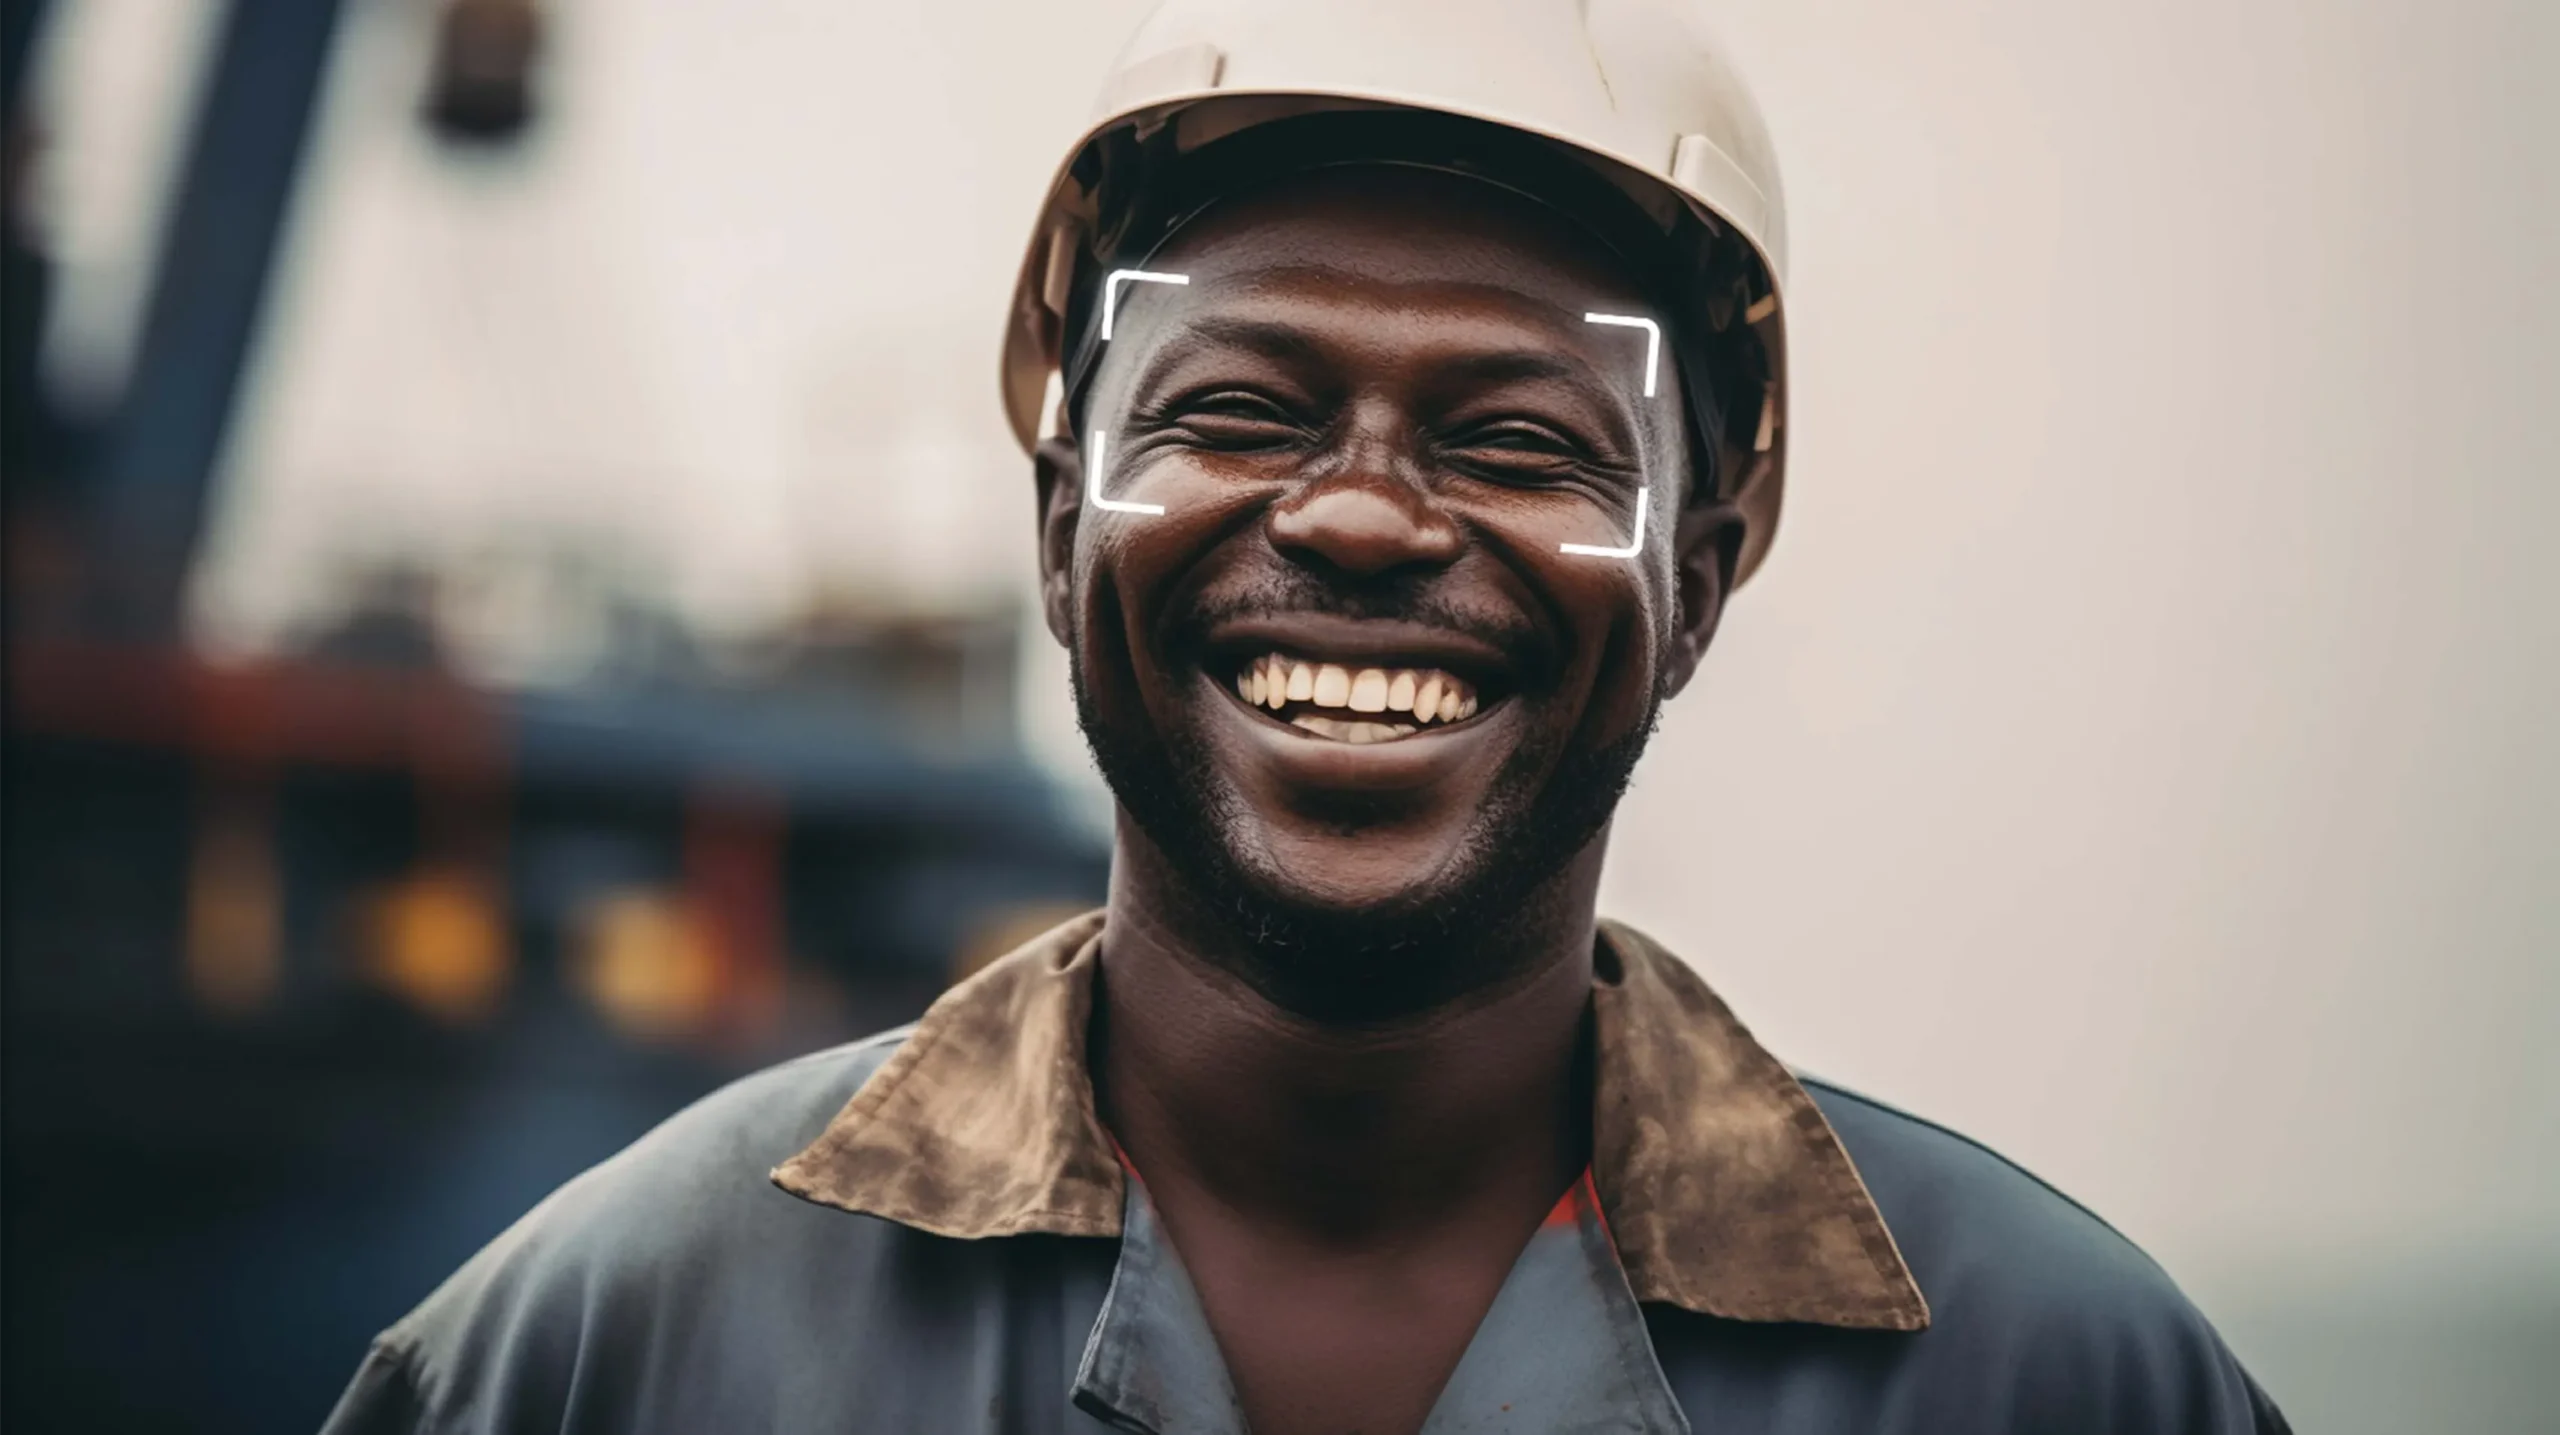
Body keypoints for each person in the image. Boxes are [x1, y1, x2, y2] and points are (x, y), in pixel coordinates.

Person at [321, 3, 2292, 1431]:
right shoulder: (596, 1362)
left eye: (1517, 440)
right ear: (1053, 520)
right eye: (1236, 410)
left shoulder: (2058, 1382)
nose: (1357, 514)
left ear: (1694, 576)